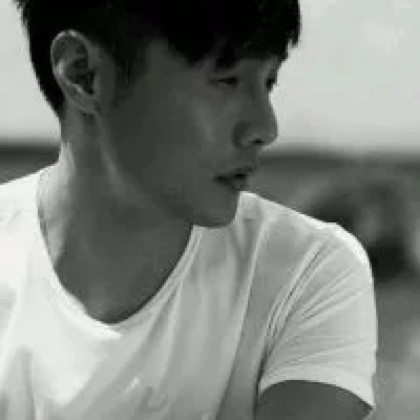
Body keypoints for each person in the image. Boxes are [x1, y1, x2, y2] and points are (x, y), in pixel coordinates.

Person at [0, 0, 377, 418]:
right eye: (227, 80)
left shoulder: (304, 272)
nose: (264, 128)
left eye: (268, 82)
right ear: (83, 74)